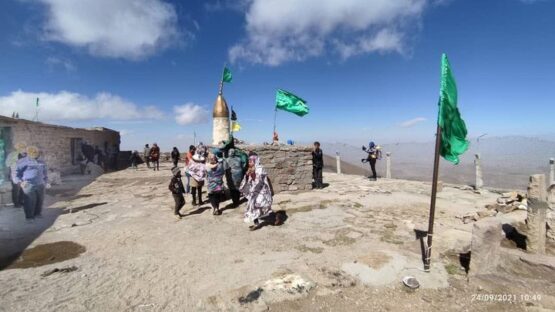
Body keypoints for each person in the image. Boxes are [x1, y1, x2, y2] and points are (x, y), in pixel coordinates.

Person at [240, 154, 280, 231]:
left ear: (255, 161)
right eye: (249, 161)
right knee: (252, 206)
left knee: (262, 206)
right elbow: (248, 180)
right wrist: (247, 175)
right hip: (254, 192)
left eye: (251, 161)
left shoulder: (260, 169)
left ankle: (275, 216)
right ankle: (256, 223)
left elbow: (259, 181)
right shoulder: (250, 168)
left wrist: (253, 173)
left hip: (262, 192)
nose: (249, 163)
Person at [14, 146, 49, 223]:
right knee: (29, 201)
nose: (36, 154)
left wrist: (46, 181)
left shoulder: (41, 161)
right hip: (28, 185)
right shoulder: (22, 162)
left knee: (40, 200)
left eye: (36, 153)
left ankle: (37, 214)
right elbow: (16, 174)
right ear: (28, 153)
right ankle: (29, 217)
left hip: (40, 184)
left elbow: (45, 172)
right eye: (33, 153)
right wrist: (20, 182)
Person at [5, 142, 27, 207]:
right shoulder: (11, 155)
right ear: (17, 148)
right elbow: (7, 164)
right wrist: (14, 160)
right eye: (21, 147)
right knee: (16, 190)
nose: (23, 149)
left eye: (23, 147)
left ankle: (21, 201)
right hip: (15, 175)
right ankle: (16, 203)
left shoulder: (25, 155)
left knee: (22, 189)